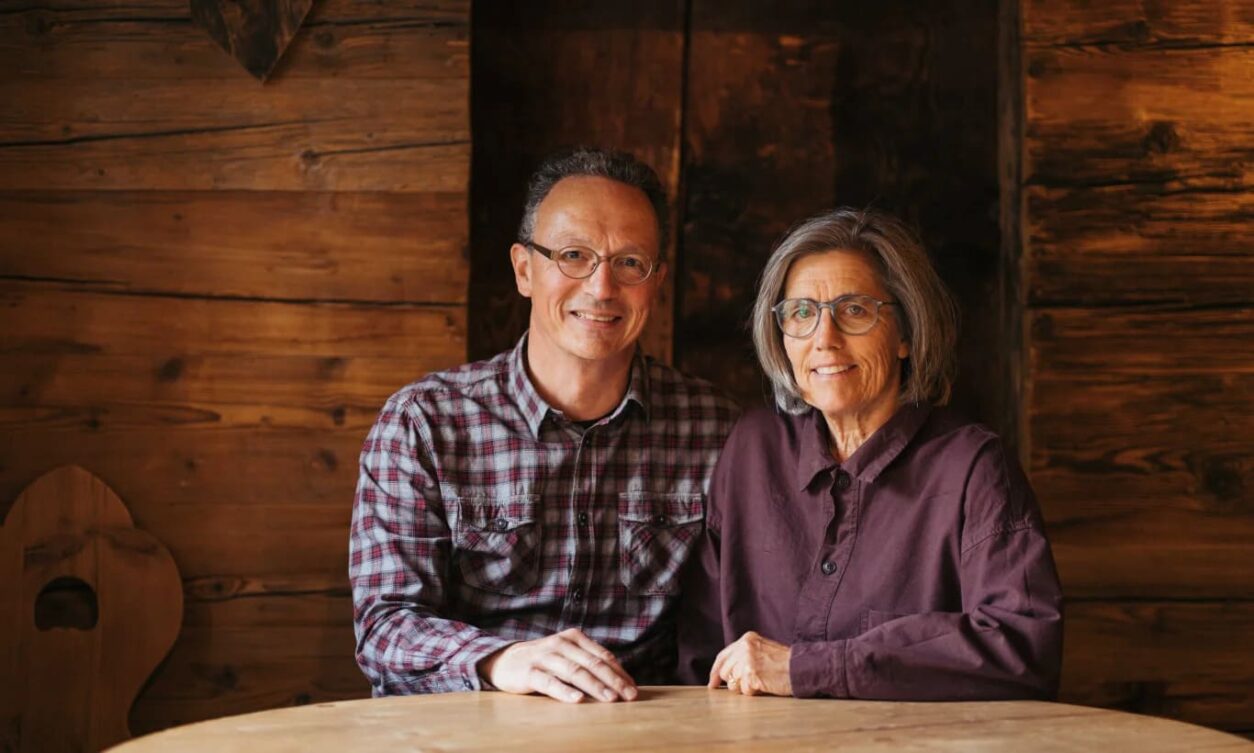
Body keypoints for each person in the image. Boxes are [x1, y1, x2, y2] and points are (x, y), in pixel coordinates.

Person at [350, 147, 739, 703]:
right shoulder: (424, 424)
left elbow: (736, 624)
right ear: (524, 269)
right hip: (467, 731)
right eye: (574, 255)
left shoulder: (717, 431)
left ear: (657, 282)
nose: (602, 288)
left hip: (645, 730)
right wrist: (500, 661)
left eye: (630, 263)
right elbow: (384, 627)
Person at [676, 207, 1062, 700]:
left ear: (904, 333)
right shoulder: (753, 448)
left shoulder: (973, 467)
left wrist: (807, 668)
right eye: (801, 313)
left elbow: (1023, 646)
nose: (824, 339)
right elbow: (700, 652)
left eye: (854, 310)